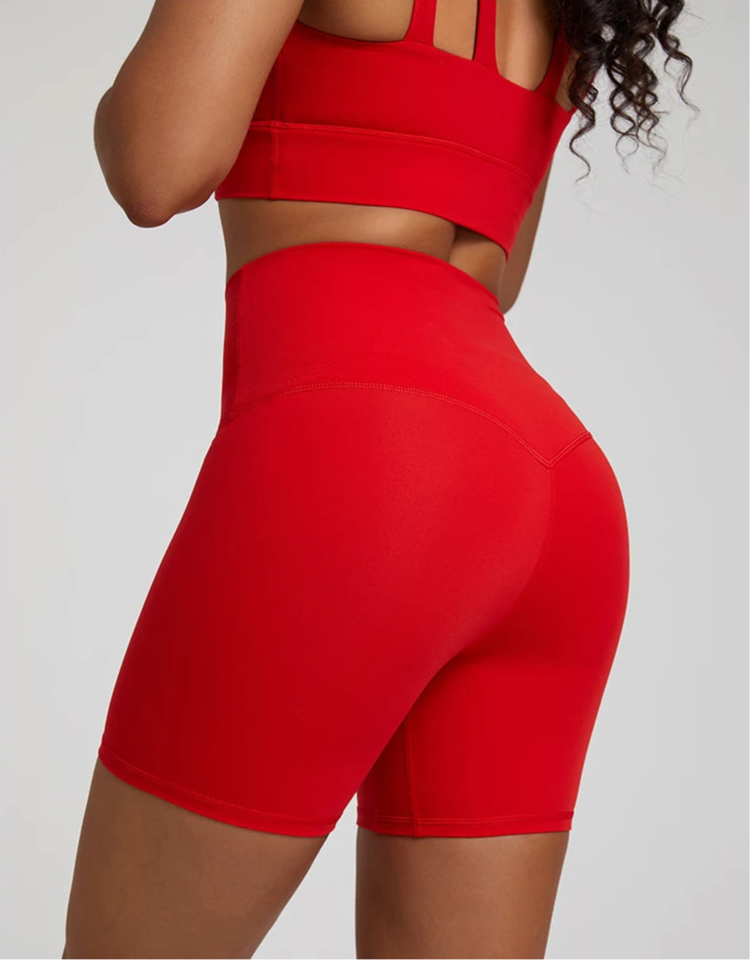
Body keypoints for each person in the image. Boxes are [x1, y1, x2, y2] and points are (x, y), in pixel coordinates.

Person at [62, 1, 694, 958]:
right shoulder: (567, 14)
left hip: (369, 460)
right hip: (552, 490)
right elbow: (494, 269)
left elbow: (157, 165)